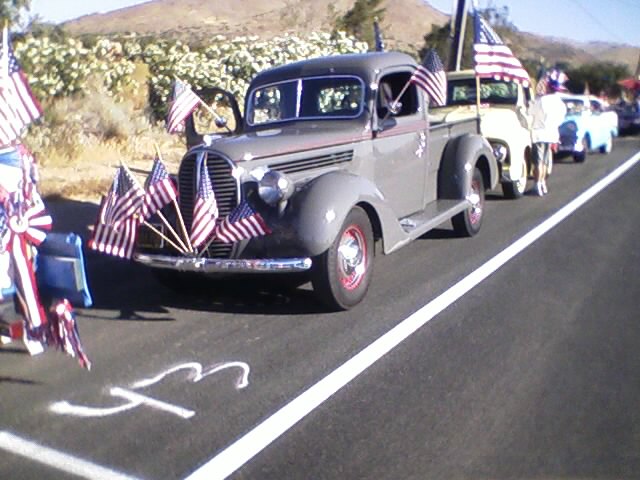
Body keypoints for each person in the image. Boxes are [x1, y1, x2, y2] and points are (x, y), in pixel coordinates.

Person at [529, 78, 567, 196]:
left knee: (538, 162)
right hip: (551, 133)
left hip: (539, 133)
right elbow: (561, 119)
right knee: (545, 161)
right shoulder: (560, 103)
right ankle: (543, 183)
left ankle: (537, 185)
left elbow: (531, 113)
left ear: (549, 88)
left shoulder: (541, 100)